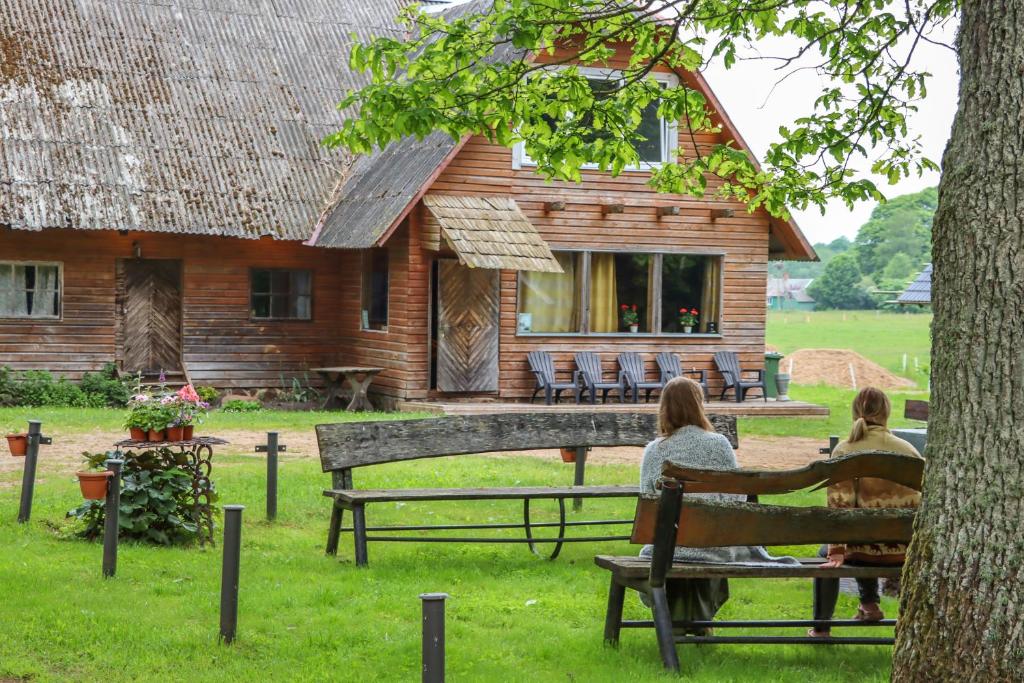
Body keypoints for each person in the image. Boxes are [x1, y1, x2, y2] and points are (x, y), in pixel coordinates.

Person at [639, 376, 796, 632]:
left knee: (678, 544)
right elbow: (735, 499)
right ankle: (699, 622)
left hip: (668, 549)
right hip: (714, 547)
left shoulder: (655, 451)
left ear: (664, 408)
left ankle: (678, 623)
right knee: (710, 539)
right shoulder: (719, 445)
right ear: (699, 405)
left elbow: (648, 498)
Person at [809, 386, 923, 638]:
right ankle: (868, 604)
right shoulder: (908, 449)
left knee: (828, 552)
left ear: (855, 412)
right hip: (903, 550)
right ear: (886, 413)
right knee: (866, 534)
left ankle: (821, 628)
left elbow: (840, 509)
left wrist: (836, 551)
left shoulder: (845, 451)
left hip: (863, 550)